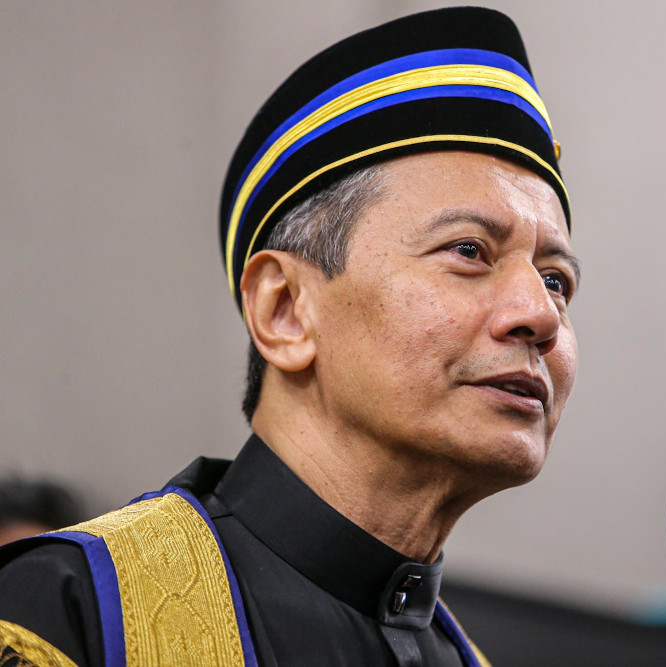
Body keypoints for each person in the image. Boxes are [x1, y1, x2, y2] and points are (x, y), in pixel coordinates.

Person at [0, 7, 578, 666]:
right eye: (470, 250)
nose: (541, 313)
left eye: (557, 280)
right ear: (284, 310)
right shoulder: (68, 615)